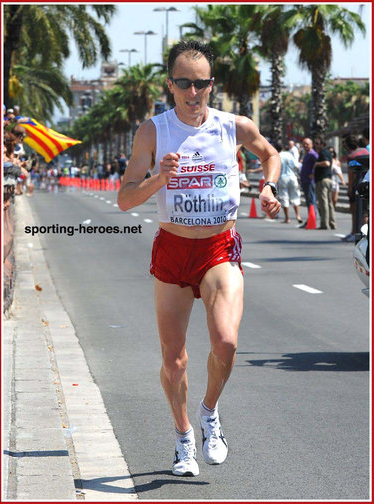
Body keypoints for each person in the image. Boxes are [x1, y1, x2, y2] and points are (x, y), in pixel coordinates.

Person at [117, 40, 281, 477]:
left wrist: (269, 187)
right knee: (175, 360)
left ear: (212, 85)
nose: (194, 92)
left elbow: (270, 155)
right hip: (173, 249)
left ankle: (210, 412)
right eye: (185, 83)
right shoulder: (153, 131)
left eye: (202, 84)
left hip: (218, 247)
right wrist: (158, 179)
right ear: (171, 85)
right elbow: (124, 200)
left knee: (225, 342)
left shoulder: (234, 126)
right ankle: (184, 436)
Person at [341, 134, 369, 242]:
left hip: (358, 186)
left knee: (356, 211)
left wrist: (350, 189)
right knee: (365, 212)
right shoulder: (365, 151)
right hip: (367, 184)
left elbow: (351, 175)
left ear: (347, 145)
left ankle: (355, 232)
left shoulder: (351, 156)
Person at [275, 142, 302, 224]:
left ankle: (287, 218)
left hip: (283, 178)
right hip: (292, 177)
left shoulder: (277, 156)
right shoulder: (289, 154)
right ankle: (298, 215)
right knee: (295, 196)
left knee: (284, 197)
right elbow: (296, 166)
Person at [312, 137, 336, 230]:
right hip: (328, 179)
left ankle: (324, 224)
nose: (316, 145)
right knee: (329, 203)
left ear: (322, 144)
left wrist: (317, 164)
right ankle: (332, 222)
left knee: (323, 203)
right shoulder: (328, 153)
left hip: (323, 180)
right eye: (315, 143)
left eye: (318, 143)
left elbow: (327, 163)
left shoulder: (323, 153)